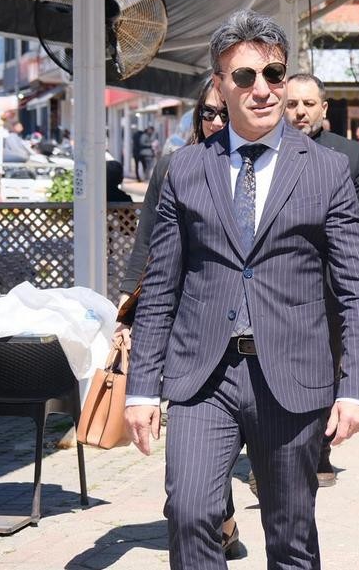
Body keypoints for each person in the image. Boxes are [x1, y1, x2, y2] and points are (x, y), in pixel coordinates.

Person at [125, 9, 359, 570]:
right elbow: (161, 286)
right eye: (245, 76)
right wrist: (142, 388)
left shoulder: (327, 170)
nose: (263, 89)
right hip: (202, 377)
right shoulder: (186, 169)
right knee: (190, 512)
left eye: (274, 74)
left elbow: (357, 284)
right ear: (220, 84)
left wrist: (358, 386)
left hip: (292, 376)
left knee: (290, 536)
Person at [117, 79, 241, 557]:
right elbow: (146, 242)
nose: (215, 122)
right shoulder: (175, 166)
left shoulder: (254, 167)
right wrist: (127, 308)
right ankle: (215, 513)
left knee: (225, 435)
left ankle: (217, 513)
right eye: (207, 113)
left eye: (223, 113)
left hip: (243, 327)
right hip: (184, 321)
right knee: (195, 431)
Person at [284, 72, 359, 486]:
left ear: (323, 108)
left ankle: (319, 449)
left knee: (329, 363)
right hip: (283, 281)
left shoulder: (348, 154)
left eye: (308, 104)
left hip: (332, 282)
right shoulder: (269, 153)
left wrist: (355, 254)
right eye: (292, 104)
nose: (300, 112)